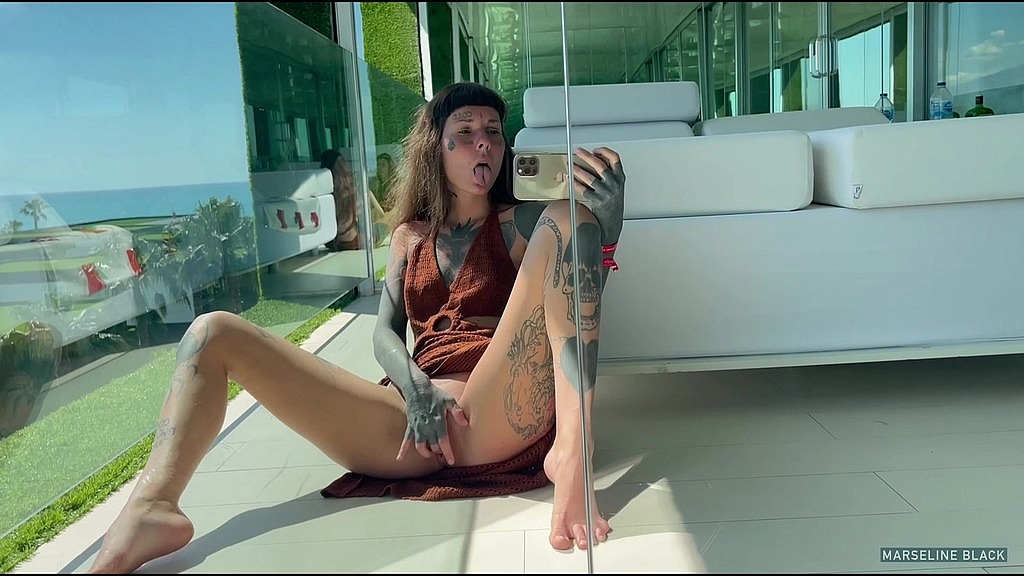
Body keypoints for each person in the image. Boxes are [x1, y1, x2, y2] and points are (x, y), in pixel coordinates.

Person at [87, 81, 626, 573]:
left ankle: (573, 453)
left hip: (496, 409)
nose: (483, 142)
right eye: (464, 133)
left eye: (492, 132)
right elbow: (384, 333)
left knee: (570, 215)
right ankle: (153, 506)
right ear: (436, 149)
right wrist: (415, 389)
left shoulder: (518, 224)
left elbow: (575, 293)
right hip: (407, 421)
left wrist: (610, 222)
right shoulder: (408, 237)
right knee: (212, 332)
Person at [320, 149, 362, 251]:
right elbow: (360, 211)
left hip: (333, 242)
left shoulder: (324, 192)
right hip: (351, 239)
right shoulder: (349, 189)